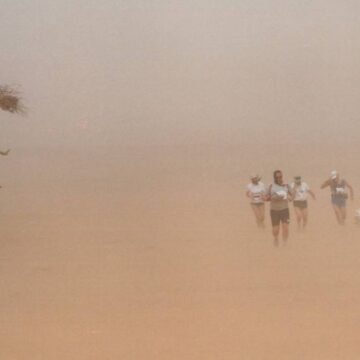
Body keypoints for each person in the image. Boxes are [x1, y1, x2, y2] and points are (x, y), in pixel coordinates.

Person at [266, 170, 293, 246]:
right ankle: (276, 238)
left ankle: (285, 243)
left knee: (286, 228)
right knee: (276, 230)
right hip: (274, 210)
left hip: (285, 209)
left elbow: (292, 195)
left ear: (282, 176)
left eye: (280, 176)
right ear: (274, 178)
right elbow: (266, 197)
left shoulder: (287, 185)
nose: (279, 178)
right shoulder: (270, 186)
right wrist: (272, 197)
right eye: (277, 177)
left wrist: (290, 197)